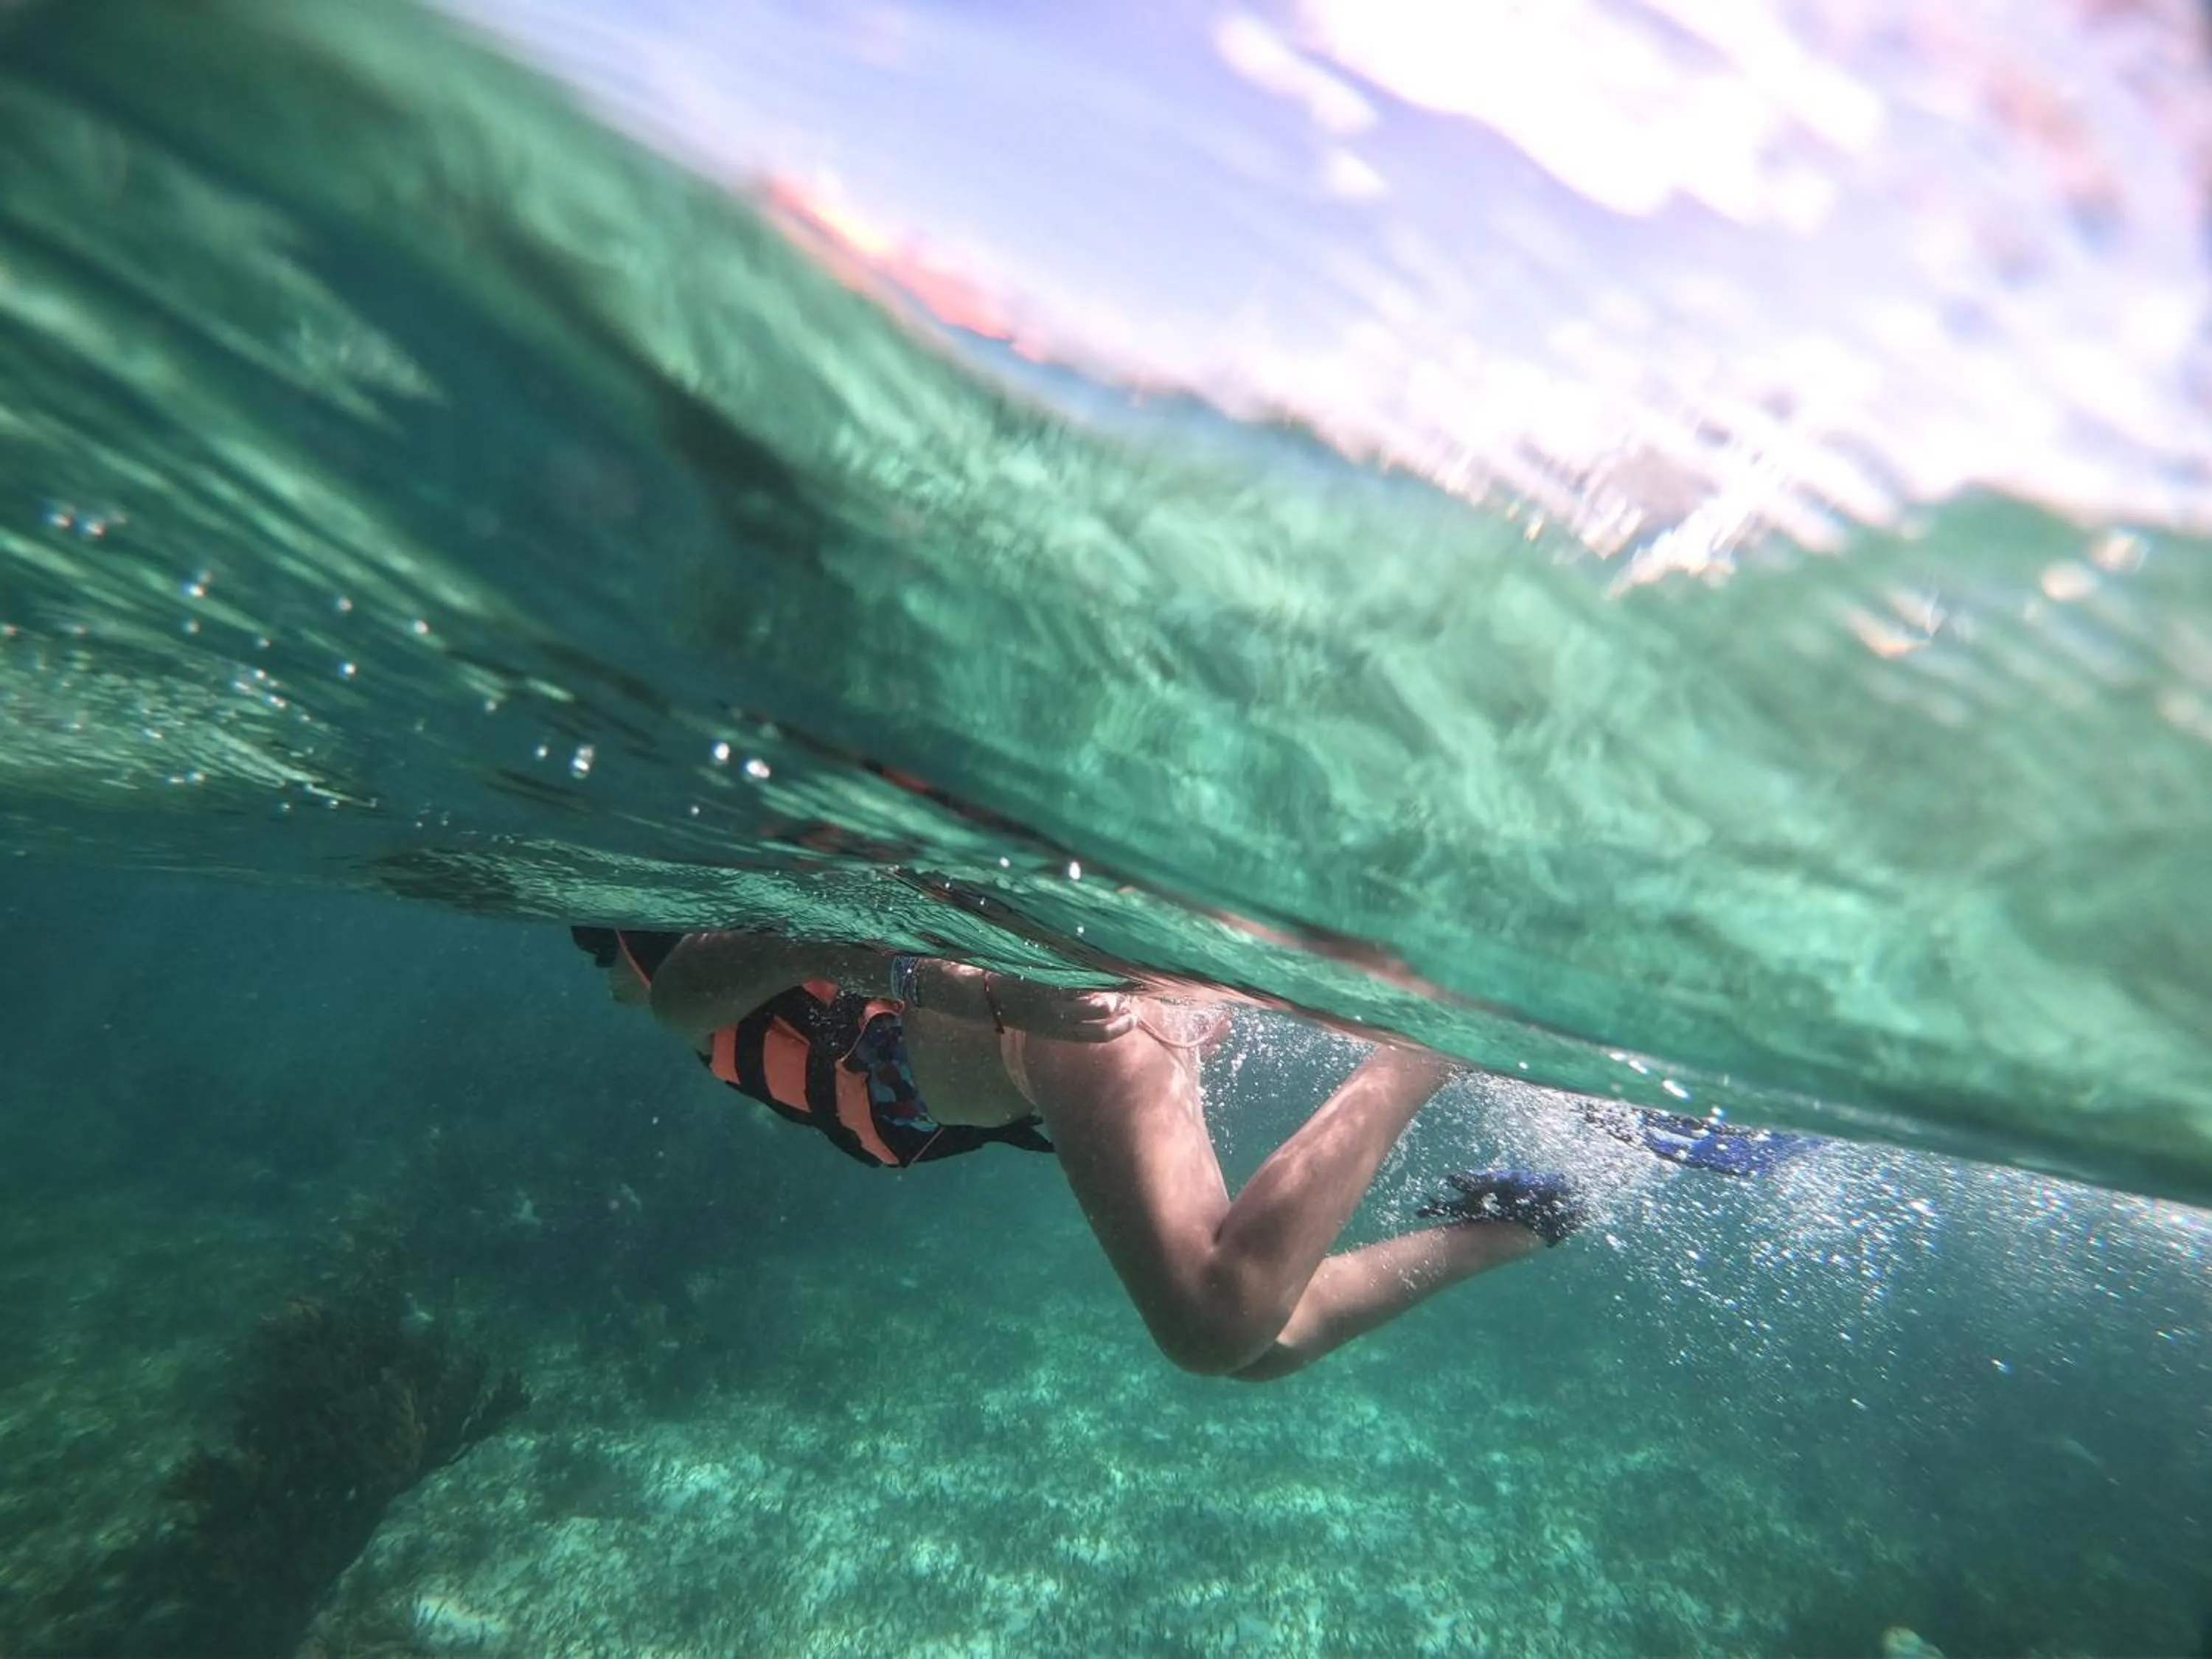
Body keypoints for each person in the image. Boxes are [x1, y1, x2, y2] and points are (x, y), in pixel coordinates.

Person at [571, 926, 1798, 1381]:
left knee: (1217, 1319)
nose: (608, 978)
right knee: (1260, 1341)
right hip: (994, 1034)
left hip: (996, 1022)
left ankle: (1446, 1038)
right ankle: (1531, 1212)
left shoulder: (664, 925)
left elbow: (685, 996)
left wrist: (962, 981)